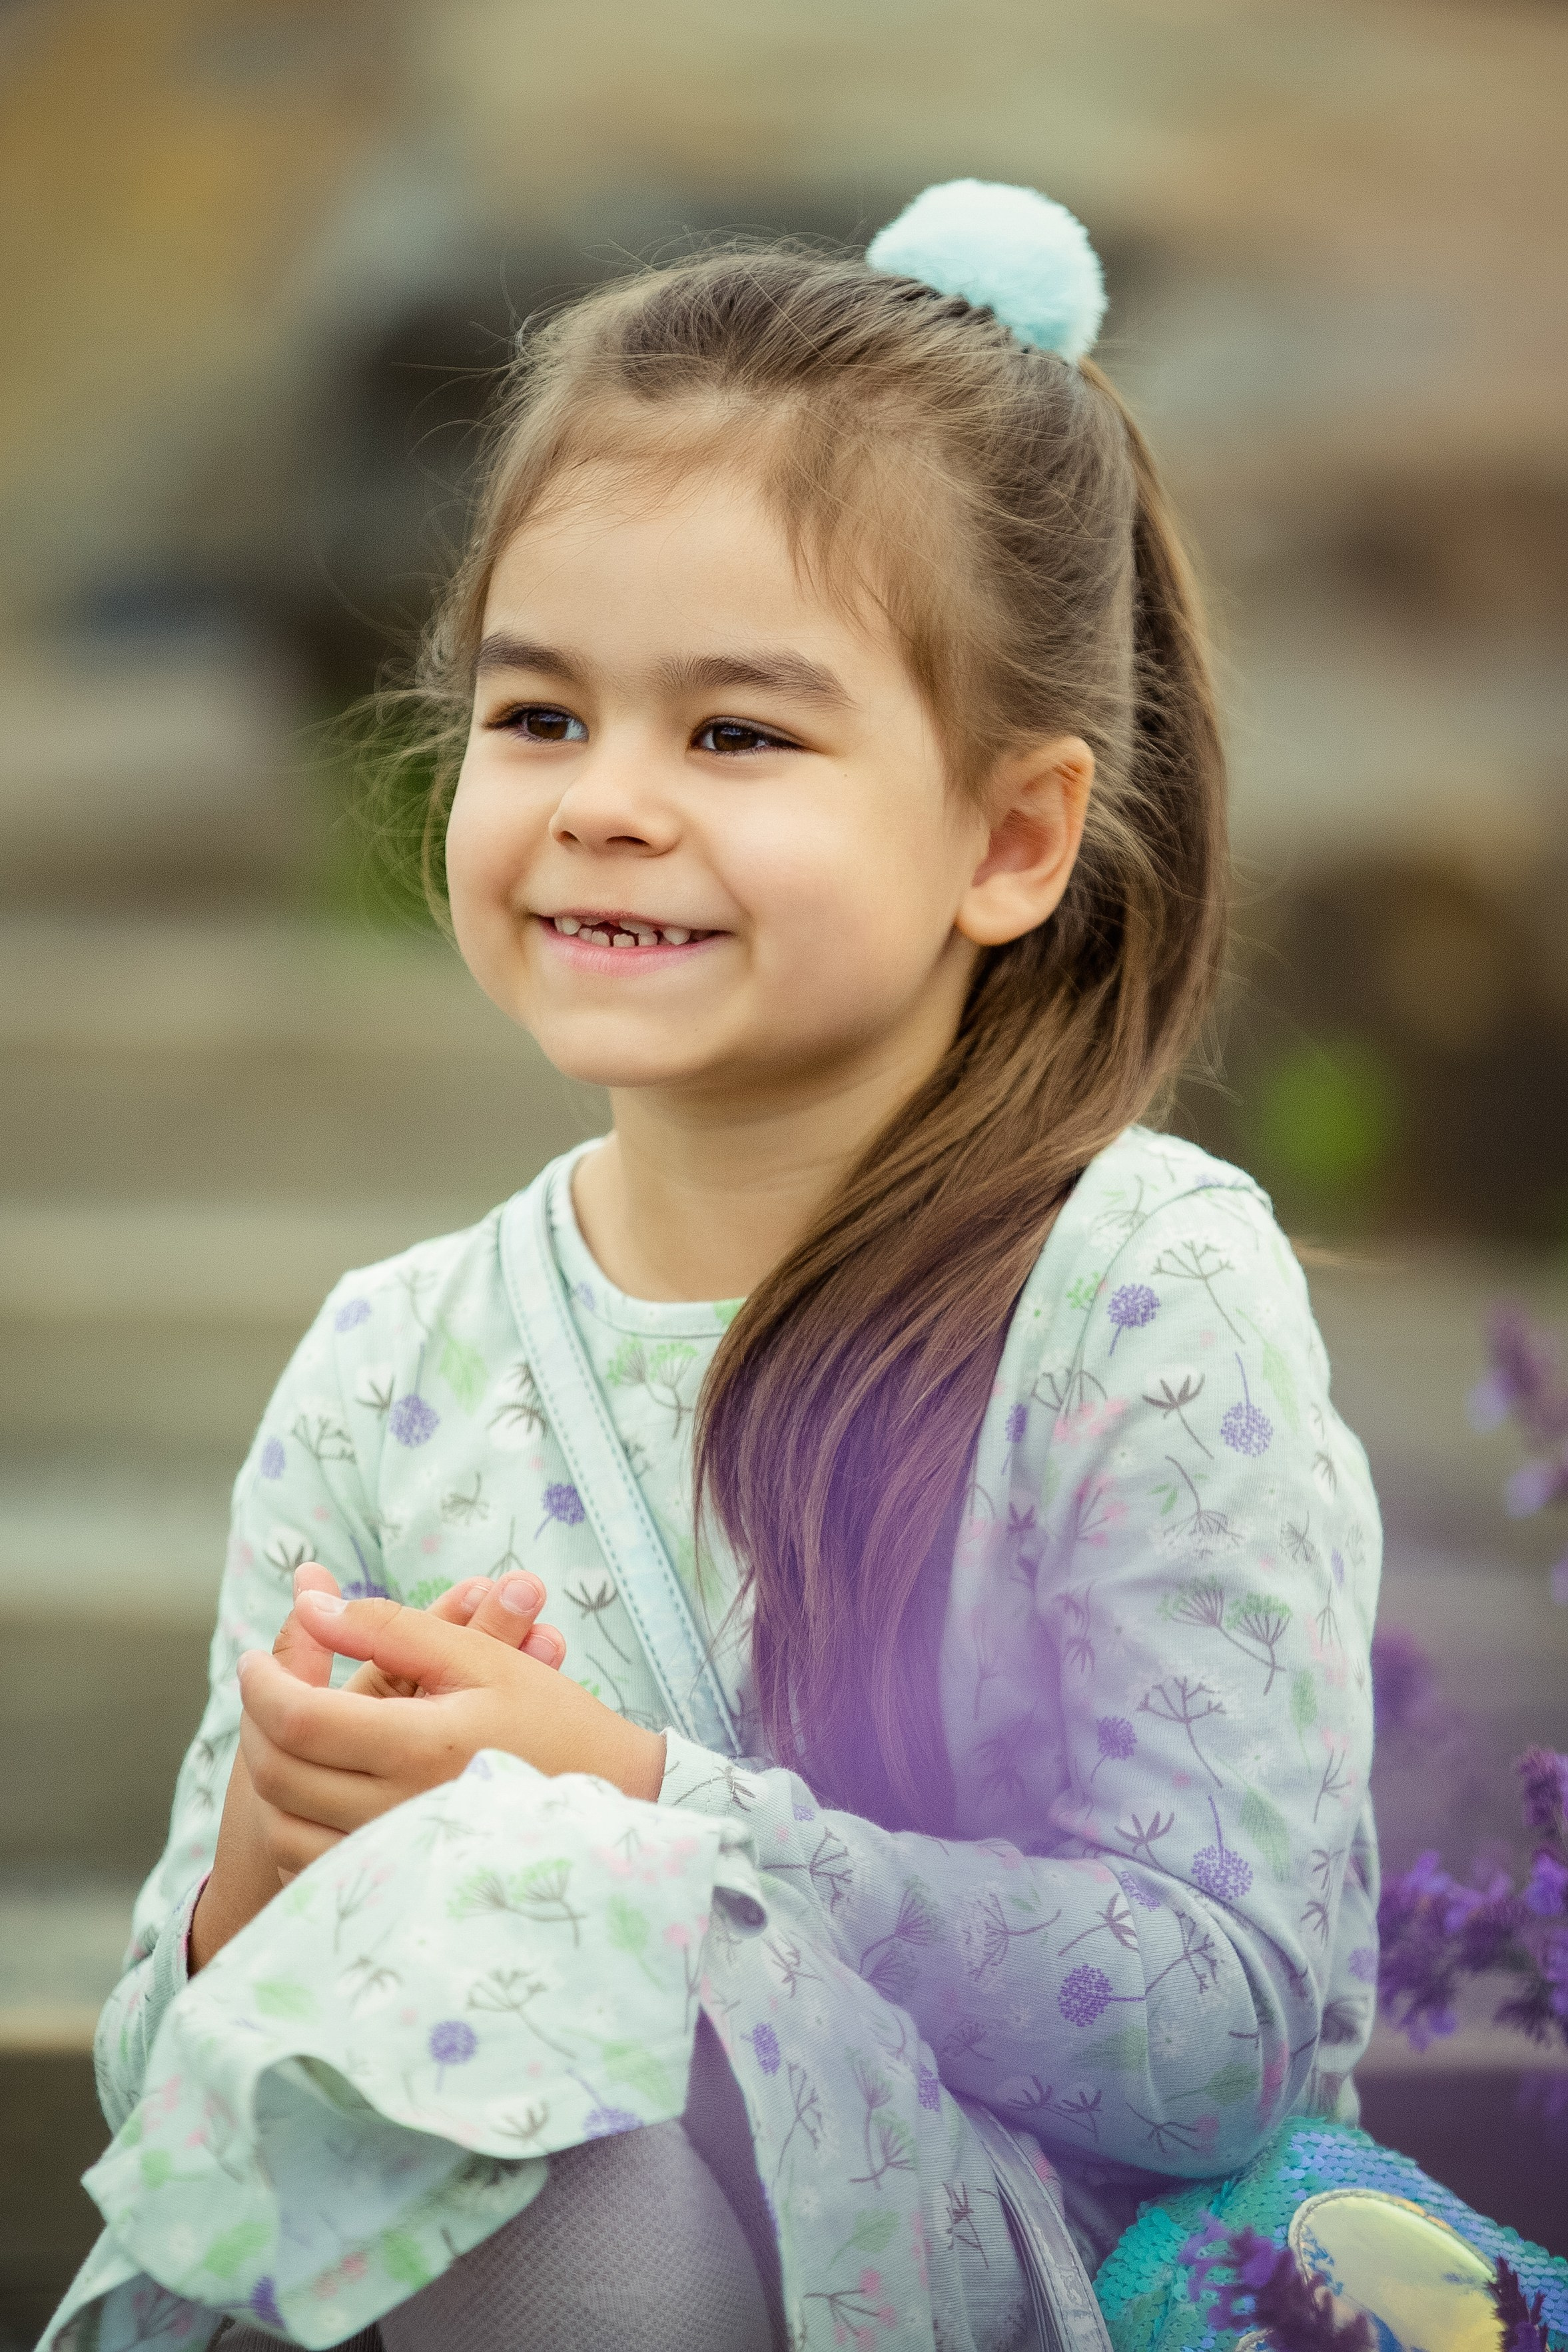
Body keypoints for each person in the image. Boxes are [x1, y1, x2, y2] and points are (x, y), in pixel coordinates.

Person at [53, 181, 1384, 2352]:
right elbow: (172, 2110)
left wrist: (638, 1814)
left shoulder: (1129, 1297)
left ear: (1009, 837)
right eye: (539, 716)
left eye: (736, 732)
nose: (604, 801)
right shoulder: (396, 1359)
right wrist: (259, 1882)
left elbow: (1223, 2025)